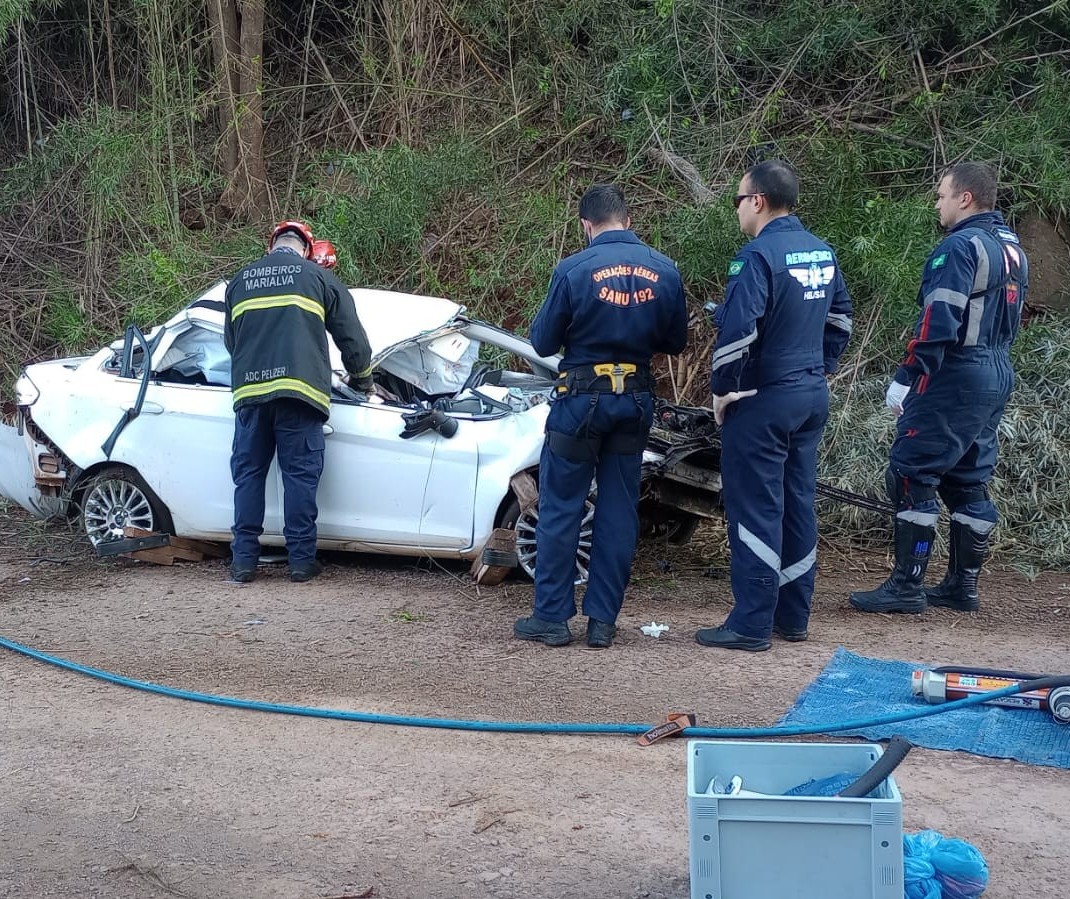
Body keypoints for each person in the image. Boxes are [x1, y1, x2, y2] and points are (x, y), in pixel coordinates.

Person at [513, 184, 688, 648]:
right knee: (617, 509)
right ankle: (603, 623)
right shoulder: (664, 269)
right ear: (628, 221)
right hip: (633, 401)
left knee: (562, 506)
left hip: (579, 403)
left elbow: (543, 342)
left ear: (586, 225)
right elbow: (675, 342)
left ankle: (551, 618)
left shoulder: (573, 269)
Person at [850, 162, 1028, 615]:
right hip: (996, 370)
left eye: (941, 195)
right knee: (969, 478)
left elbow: (938, 320)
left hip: (955, 372)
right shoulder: (1011, 248)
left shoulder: (960, 246)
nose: (937, 203)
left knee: (912, 472)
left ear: (964, 198)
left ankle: (907, 585)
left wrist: (908, 376)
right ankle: (960, 586)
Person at [694, 160, 853, 652]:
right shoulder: (823, 251)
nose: (737, 210)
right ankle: (792, 616)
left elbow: (739, 331)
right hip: (809, 395)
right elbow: (842, 318)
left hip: (762, 399)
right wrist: (820, 367)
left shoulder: (757, 256)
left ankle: (750, 623)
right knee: (797, 502)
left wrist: (723, 388)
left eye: (738, 200)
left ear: (757, 200)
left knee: (756, 507)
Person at [224, 220, 373, 584]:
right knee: (299, 479)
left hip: (251, 397)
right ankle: (301, 563)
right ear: (307, 249)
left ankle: (243, 563)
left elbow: (232, 342)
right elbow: (352, 338)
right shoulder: (317, 278)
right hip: (300, 396)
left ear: (271, 245)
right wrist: (362, 379)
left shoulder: (240, 281)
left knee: (249, 478)